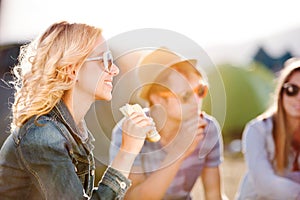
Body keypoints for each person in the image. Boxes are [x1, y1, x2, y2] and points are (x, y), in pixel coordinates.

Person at [0, 21, 154, 199]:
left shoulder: (71, 132)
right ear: (72, 70)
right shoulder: (43, 136)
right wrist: (126, 152)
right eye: (105, 60)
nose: (115, 69)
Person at [109, 48, 227, 200]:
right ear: (157, 98)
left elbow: (213, 195)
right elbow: (133, 197)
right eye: (185, 96)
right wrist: (178, 152)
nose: (197, 102)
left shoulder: (207, 129)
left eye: (200, 90)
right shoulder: (129, 131)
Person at [236, 57, 300, 199]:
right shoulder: (257, 130)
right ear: (281, 93)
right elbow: (264, 184)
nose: (298, 97)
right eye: (292, 89)